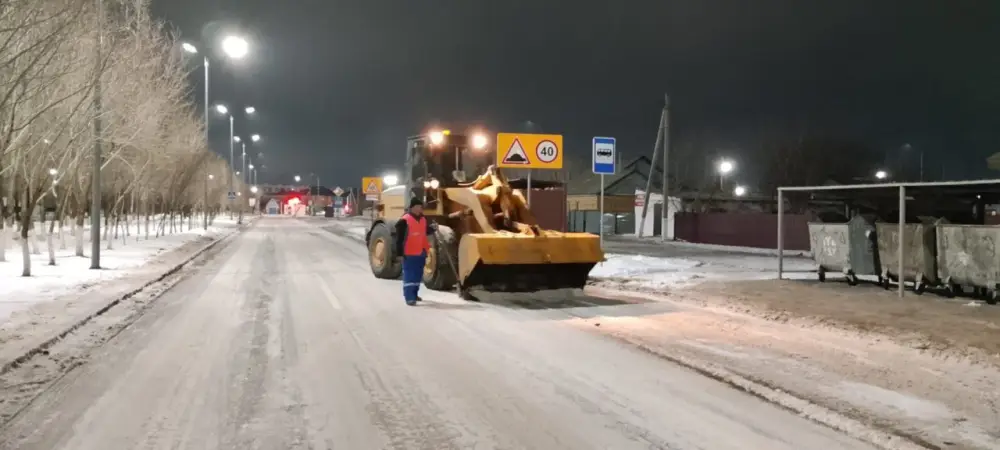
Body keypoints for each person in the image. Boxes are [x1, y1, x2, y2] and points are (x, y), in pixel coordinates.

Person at [394, 197, 435, 306]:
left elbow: (425, 231)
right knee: (409, 275)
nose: (421, 209)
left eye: (421, 207)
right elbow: (399, 239)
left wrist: (433, 228)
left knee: (418, 275)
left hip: (421, 251)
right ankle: (409, 297)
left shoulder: (422, 219)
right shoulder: (404, 220)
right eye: (419, 207)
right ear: (413, 207)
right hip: (409, 252)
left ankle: (414, 294)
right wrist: (399, 254)